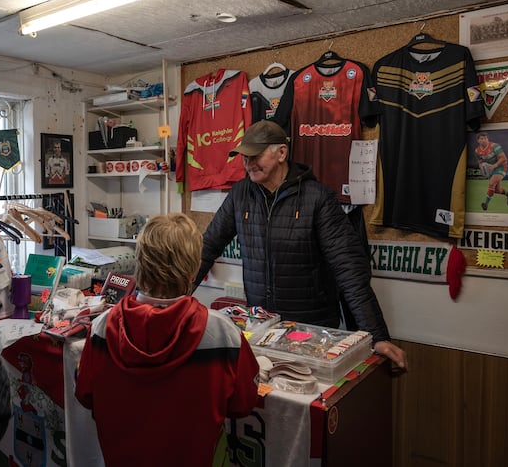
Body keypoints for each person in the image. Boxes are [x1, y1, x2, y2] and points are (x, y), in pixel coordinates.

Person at [194, 120, 407, 371]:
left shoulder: (318, 198)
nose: (248, 163)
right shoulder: (240, 195)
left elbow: (349, 270)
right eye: (244, 157)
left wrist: (377, 335)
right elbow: (206, 249)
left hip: (312, 332)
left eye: (255, 155)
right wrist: (173, 300)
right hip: (261, 330)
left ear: (281, 153)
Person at [75, 213, 259, 466]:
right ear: (194, 268)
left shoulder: (101, 328)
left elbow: (85, 395)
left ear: (139, 262)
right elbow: (243, 404)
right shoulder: (224, 335)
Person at [474, 131, 508, 210]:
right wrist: (482, 168)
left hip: (501, 167)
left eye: (485, 138)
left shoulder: (494, 146)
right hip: (491, 169)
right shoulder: (477, 151)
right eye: (482, 139)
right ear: (478, 141)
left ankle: (485, 204)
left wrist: (494, 165)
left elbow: (503, 158)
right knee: (497, 190)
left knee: (491, 183)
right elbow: (480, 161)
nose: (484, 140)